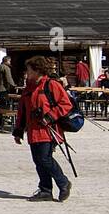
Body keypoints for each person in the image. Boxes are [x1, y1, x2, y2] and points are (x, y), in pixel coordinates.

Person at [13, 55, 74, 202]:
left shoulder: (51, 84)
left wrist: (50, 116)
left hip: (48, 130)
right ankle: (45, 190)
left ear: (37, 70)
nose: (26, 72)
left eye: (29, 70)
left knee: (45, 159)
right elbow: (22, 110)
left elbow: (66, 104)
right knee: (38, 160)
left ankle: (63, 182)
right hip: (33, 131)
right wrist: (18, 130)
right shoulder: (29, 87)